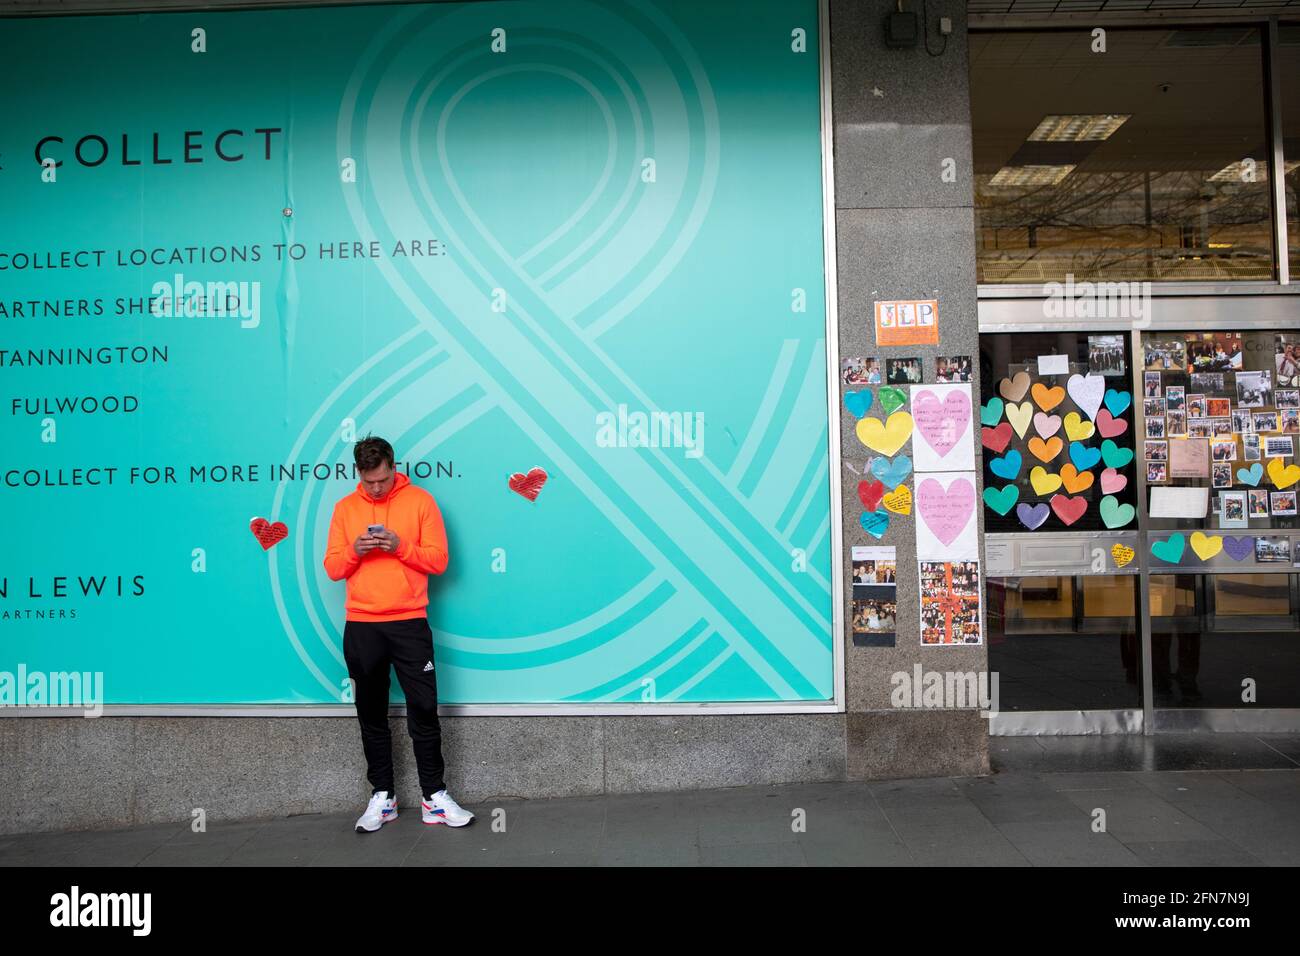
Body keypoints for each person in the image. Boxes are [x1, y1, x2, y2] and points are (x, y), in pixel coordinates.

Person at [323, 434, 474, 832]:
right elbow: (333, 568)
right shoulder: (344, 509)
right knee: (370, 713)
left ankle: (434, 797)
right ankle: (382, 796)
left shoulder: (420, 502)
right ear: (359, 473)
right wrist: (356, 549)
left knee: (424, 710)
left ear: (393, 467)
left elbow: (439, 561)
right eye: (370, 481)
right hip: (362, 625)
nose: (377, 487)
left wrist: (400, 546)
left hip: (409, 622)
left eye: (384, 479)